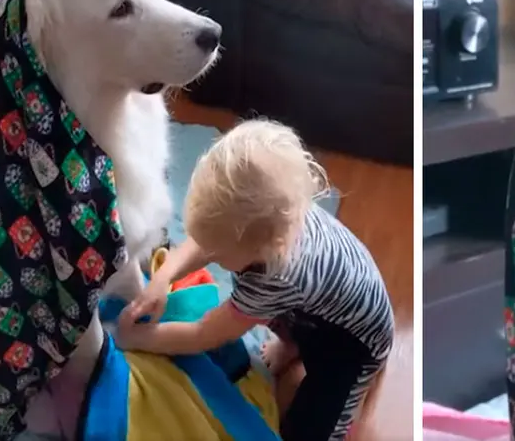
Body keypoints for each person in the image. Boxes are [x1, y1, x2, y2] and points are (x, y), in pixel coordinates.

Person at [116, 119, 395, 441]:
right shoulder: (276, 218)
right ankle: (292, 344)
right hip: (317, 308)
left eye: (219, 251)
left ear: (260, 248)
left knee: (309, 429)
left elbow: (205, 333)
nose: (210, 252)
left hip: (353, 341)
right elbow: (208, 239)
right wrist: (161, 280)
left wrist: (139, 339)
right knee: (286, 314)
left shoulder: (276, 278)